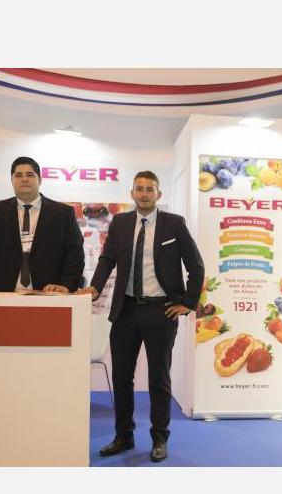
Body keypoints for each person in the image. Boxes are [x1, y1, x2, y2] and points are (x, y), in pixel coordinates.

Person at [77, 171, 204, 462]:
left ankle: (160, 438)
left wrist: (187, 303)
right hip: (125, 310)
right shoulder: (120, 223)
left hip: (162, 310)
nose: (144, 194)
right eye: (139, 189)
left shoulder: (174, 223)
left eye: (150, 189)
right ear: (132, 193)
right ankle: (123, 436)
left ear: (158, 194)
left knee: (159, 378)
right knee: (122, 378)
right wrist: (95, 287)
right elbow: (108, 259)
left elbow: (196, 265)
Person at [0, 157, 84, 293]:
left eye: (30, 175)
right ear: (12, 181)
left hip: (48, 295)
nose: (24, 179)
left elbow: (75, 254)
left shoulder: (63, 213)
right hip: (2, 295)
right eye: (18, 175)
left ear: (40, 180)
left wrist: (67, 286)